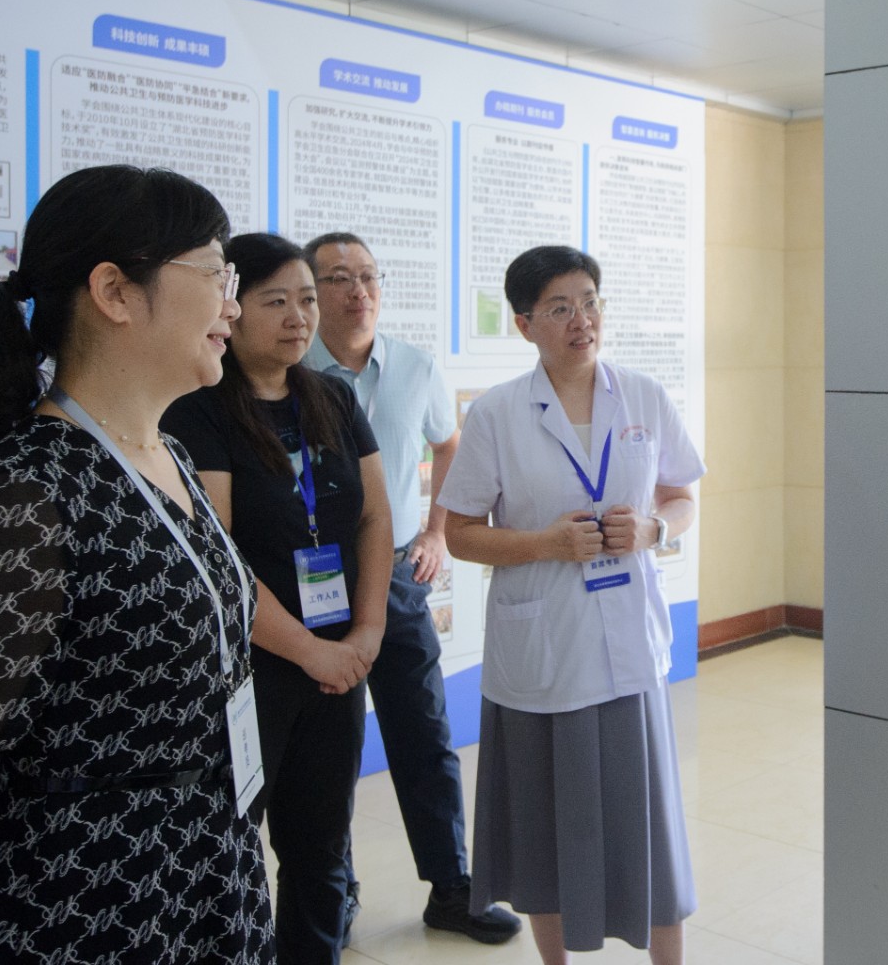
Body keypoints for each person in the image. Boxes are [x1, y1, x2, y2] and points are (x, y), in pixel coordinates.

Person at [0, 165, 274, 964]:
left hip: (206, 877)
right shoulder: (28, 493)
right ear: (114, 291)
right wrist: (20, 837)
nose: (232, 305)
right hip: (87, 906)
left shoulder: (168, 453)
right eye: (215, 274)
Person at [440, 245, 704, 964]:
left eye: (590, 302)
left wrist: (653, 531)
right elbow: (460, 533)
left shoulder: (643, 395)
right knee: (545, 833)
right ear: (525, 324)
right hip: (544, 652)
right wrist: (545, 545)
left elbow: (681, 497)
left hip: (629, 647)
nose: (581, 320)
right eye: (560, 308)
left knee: (649, 829)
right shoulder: (497, 413)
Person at [161, 232, 393, 965]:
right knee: (228, 843)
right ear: (232, 310)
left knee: (321, 845)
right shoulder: (199, 409)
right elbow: (220, 557)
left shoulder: (333, 397)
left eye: (307, 299)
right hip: (250, 667)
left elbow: (374, 518)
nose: (300, 317)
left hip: (340, 659)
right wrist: (311, 651)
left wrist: (367, 633)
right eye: (276, 301)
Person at [301, 231, 521, 944]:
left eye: (368, 276)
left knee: (424, 735)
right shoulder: (286, 369)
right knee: (324, 751)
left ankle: (451, 889)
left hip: (395, 575)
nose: (358, 291)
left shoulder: (416, 367)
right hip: (313, 579)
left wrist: (434, 531)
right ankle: (333, 895)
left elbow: (448, 444)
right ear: (311, 292)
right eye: (339, 278)